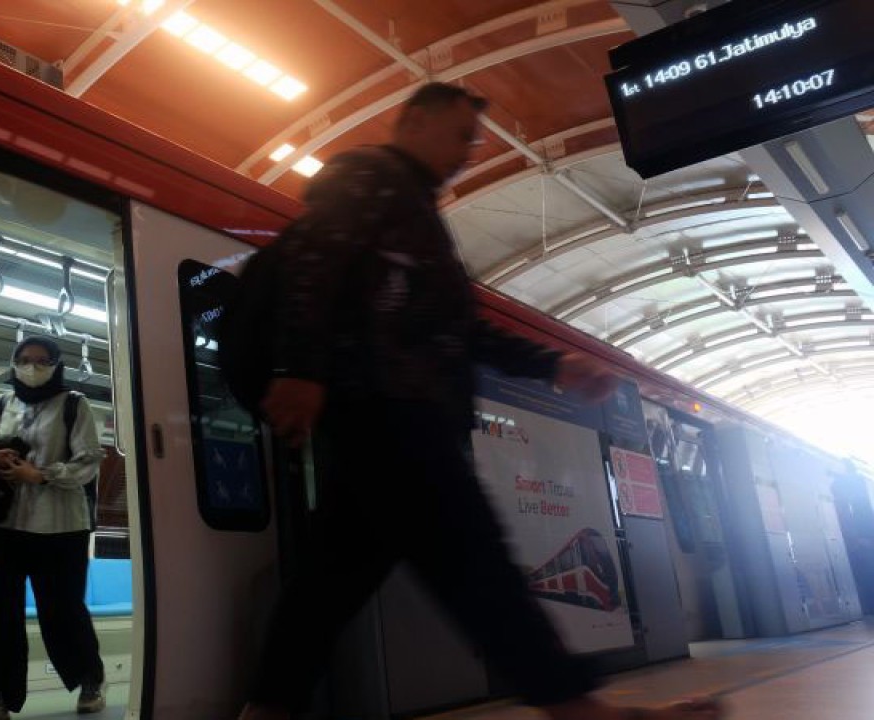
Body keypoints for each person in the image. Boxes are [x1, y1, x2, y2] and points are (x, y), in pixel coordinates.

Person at [237, 84, 724, 720]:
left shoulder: (415, 214)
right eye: (460, 135)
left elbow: (461, 331)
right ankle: (577, 709)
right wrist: (300, 369)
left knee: (330, 585)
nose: (468, 152)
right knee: (477, 567)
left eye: (473, 141)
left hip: (390, 419)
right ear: (414, 121)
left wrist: (554, 364)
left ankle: (267, 710)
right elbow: (314, 258)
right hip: (393, 415)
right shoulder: (373, 179)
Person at [0, 336, 107, 719]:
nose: (32, 367)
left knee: (62, 610)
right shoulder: (0, 403)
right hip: (5, 522)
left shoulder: (74, 404)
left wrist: (41, 474)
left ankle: (90, 677)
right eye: (25, 359)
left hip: (61, 526)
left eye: (42, 361)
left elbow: (90, 460)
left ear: (56, 365)